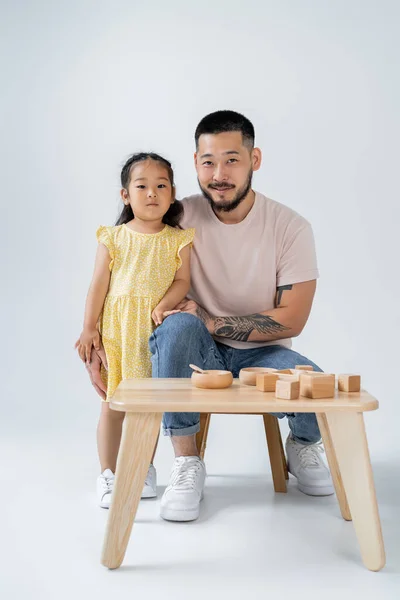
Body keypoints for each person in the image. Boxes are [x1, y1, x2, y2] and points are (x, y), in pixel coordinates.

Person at [86, 111, 334, 522]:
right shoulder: (177, 214)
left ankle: (304, 443)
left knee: (314, 382)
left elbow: (292, 319)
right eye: (207, 162)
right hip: (195, 352)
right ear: (195, 162)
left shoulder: (291, 227)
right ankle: (187, 462)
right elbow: (121, 263)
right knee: (178, 325)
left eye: (232, 160)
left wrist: (213, 321)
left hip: (262, 352)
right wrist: (97, 339)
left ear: (255, 159)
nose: (219, 174)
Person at [76, 152, 195, 508]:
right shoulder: (113, 237)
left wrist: (163, 305)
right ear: (126, 194)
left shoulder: (178, 239)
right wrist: (88, 328)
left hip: (152, 332)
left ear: (172, 194)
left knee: (146, 406)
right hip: (116, 330)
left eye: (161, 186)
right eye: (141, 186)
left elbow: (182, 280)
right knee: (113, 404)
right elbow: (98, 283)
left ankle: (142, 467)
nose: (152, 193)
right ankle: (109, 474)